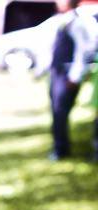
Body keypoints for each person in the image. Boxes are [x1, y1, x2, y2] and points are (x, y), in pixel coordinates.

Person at [49, 0, 98, 160]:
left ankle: (61, 149)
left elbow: (82, 50)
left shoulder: (78, 22)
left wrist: (75, 76)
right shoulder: (60, 20)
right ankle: (58, 147)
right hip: (57, 70)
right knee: (56, 111)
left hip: (67, 72)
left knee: (60, 111)